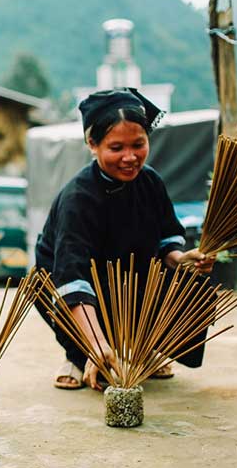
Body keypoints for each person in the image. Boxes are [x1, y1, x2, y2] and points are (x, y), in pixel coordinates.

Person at [35, 88, 215, 391]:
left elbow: (166, 241)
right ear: (93, 144)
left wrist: (180, 260)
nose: (130, 157)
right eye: (116, 147)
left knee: (192, 282)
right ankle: (79, 355)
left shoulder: (151, 182)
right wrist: (95, 345)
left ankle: (143, 350)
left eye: (138, 144)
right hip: (78, 289)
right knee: (56, 288)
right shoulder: (79, 198)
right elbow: (71, 278)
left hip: (130, 283)